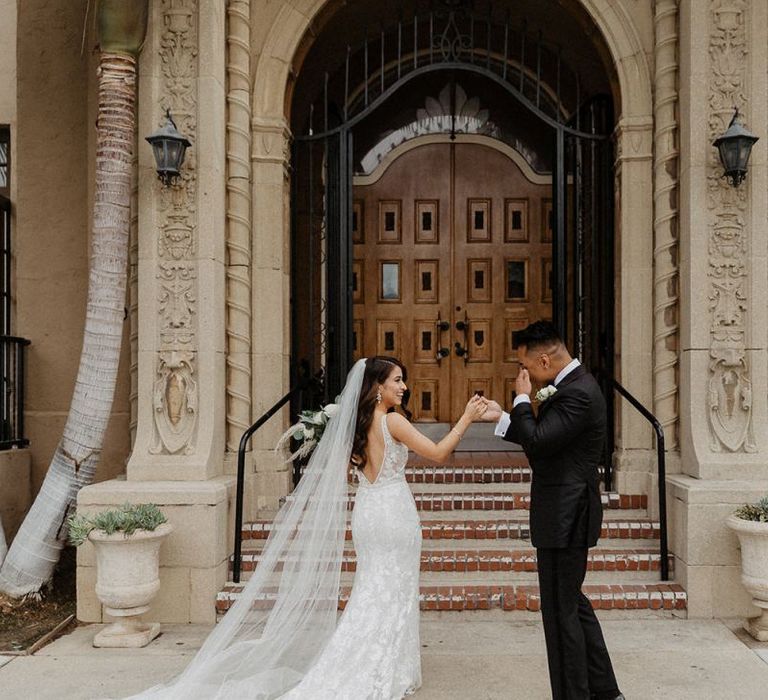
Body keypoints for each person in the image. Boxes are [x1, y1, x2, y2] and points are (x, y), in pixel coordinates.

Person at [126, 356, 487, 700]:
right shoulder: (392, 422)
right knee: (395, 587)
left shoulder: (355, 427)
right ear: (377, 387)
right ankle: (385, 665)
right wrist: (467, 418)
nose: (404, 387)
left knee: (372, 587)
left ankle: (382, 660)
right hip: (394, 512)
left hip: (368, 510)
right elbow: (439, 453)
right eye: (397, 381)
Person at [482, 320, 624, 700]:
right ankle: (606, 691)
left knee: (561, 616)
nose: (522, 373)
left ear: (544, 359)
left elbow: (541, 442)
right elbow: (551, 440)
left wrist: (521, 400)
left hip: (566, 516)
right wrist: (504, 417)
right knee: (572, 606)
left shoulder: (576, 392)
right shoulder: (574, 387)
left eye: (524, 366)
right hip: (565, 514)